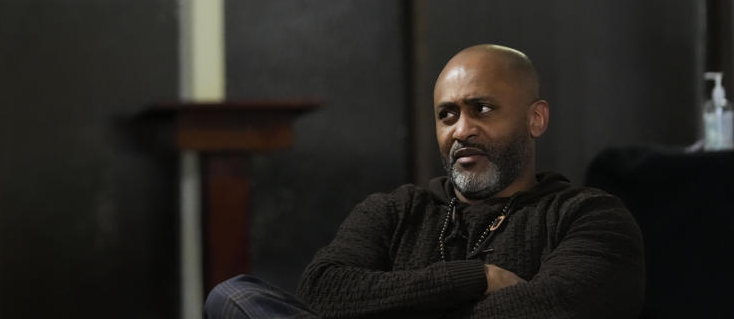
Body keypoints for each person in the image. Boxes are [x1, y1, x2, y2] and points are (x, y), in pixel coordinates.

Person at [204, 44, 645, 318]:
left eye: (482, 109)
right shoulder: (395, 210)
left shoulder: (589, 216)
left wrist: (386, 305)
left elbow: (556, 309)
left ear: (535, 118)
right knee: (235, 296)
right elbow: (323, 291)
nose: (461, 129)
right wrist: (477, 277)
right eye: (446, 115)